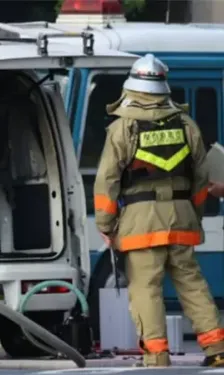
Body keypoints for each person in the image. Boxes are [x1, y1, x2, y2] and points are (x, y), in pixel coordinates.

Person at [94, 53, 224, 367]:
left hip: (140, 221)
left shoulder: (123, 128)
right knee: (191, 283)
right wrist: (193, 213)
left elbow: (107, 180)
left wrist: (106, 224)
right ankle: (217, 349)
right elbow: (202, 176)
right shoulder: (187, 124)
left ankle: (156, 356)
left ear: (133, 88)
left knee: (146, 288)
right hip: (181, 217)